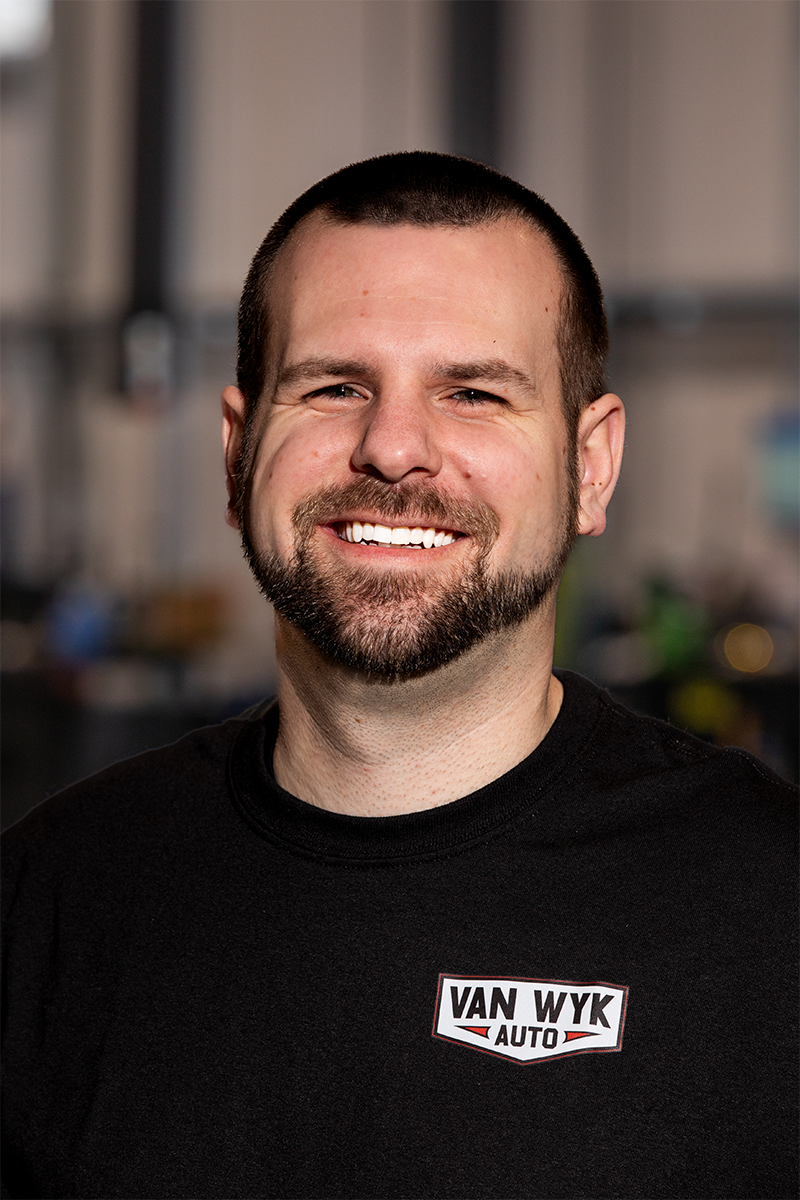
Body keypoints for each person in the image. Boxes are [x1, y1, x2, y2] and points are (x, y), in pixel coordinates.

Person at [1, 152, 797, 1198]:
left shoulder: (768, 908)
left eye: (471, 392)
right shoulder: (48, 903)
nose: (391, 449)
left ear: (589, 465)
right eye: (334, 386)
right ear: (237, 454)